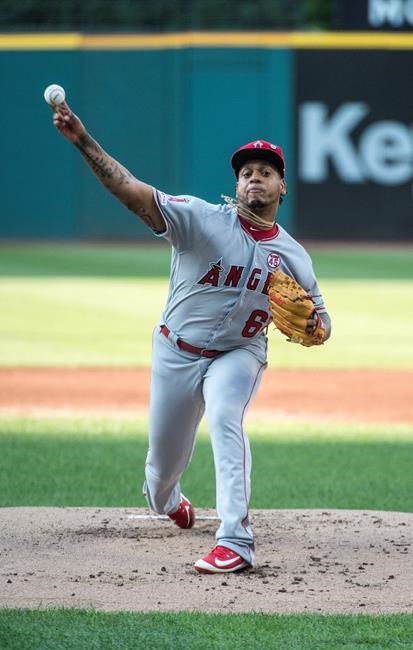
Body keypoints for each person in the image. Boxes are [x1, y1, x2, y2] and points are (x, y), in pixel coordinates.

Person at [51, 102, 331, 574]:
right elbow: (131, 192)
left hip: (239, 354)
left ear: (282, 186)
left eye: (266, 171)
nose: (255, 178)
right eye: (246, 172)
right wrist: (82, 140)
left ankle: (236, 541)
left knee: (226, 416)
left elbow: (321, 323)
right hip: (176, 352)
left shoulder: (294, 256)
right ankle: (171, 500)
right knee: (160, 475)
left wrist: (313, 327)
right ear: (237, 185)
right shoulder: (200, 219)